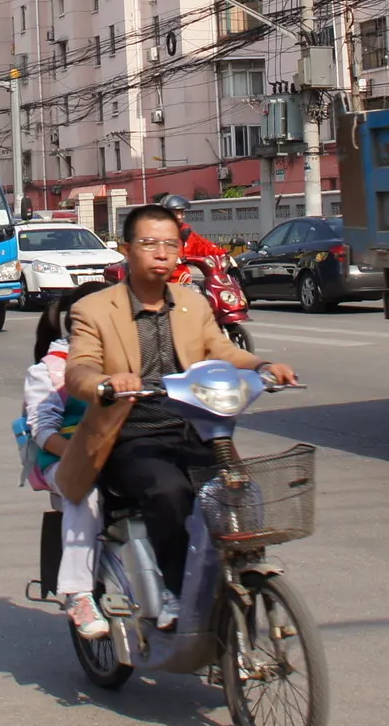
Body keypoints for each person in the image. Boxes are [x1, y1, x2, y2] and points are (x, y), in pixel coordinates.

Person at [57, 204, 295, 623]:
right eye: (150, 243)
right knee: (169, 491)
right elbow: (79, 369)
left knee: (239, 490)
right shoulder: (93, 309)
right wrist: (106, 383)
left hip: (193, 428)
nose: (162, 253)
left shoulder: (192, 303)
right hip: (128, 436)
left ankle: (238, 575)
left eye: (170, 244)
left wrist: (262, 367)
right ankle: (174, 590)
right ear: (126, 249)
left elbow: (221, 351)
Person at [20, 297, 104, 638]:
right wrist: (78, 458)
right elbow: (42, 430)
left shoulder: (128, 356)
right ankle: (78, 593)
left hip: (120, 454)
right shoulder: (50, 370)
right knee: (86, 490)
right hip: (63, 461)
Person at [149, 195, 225, 262]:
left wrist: (224, 255)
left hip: (187, 273)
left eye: (181, 212)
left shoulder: (186, 233)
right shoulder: (155, 235)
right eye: (175, 213)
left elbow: (206, 247)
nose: (179, 217)